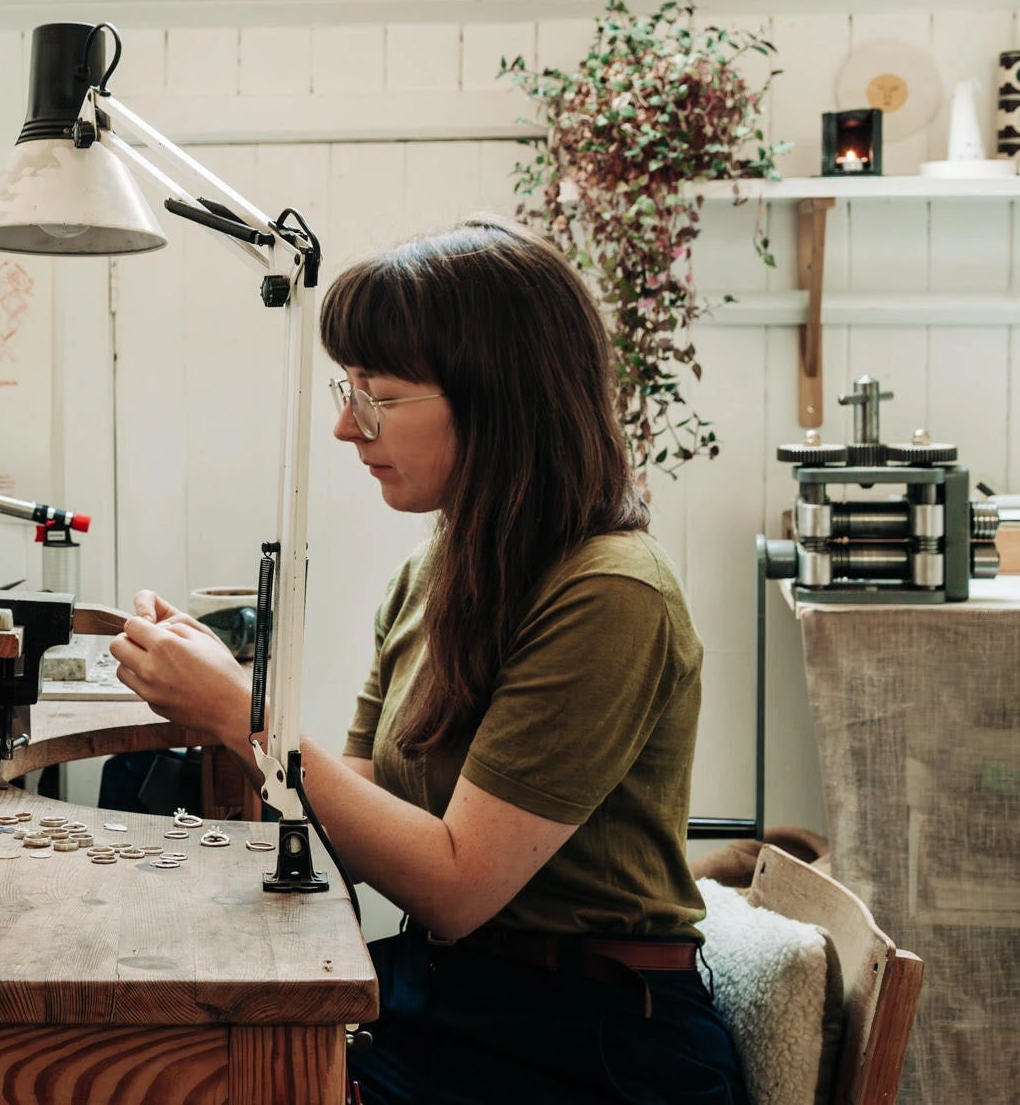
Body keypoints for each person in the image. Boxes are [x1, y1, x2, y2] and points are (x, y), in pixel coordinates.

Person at [109, 216, 749, 1104]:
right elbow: (352, 822)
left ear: (498, 396)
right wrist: (227, 698)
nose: (343, 425)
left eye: (376, 393)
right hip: (447, 1003)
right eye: (347, 386)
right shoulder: (434, 574)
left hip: (590, 1045)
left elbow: (454, 885)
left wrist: (245, 716)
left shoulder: (611, 592)